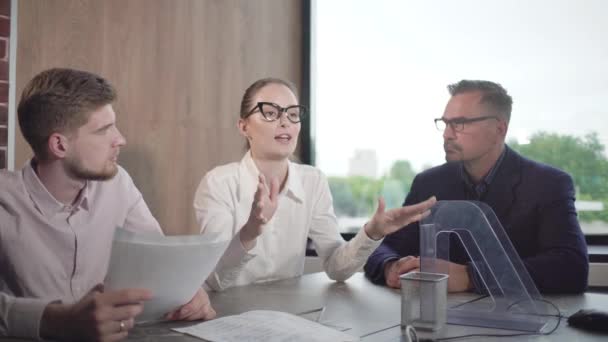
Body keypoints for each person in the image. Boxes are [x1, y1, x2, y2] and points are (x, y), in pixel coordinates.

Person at [0, 68, 215, 340]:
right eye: (103, 130)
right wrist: (56, 321)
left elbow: (160, 262)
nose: (120, 139)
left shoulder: (118, 184)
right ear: (59, 145)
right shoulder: (4, 200)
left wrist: (188, 292)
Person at [193, 77, 436, 291]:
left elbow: (336, 267)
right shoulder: (218, 183)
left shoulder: (312, 180)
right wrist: (250, 232)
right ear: (244, 126)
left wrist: (373, 232)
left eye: (293, 114)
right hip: (226, 316)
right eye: (270, 112)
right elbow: (216, 280)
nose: (285, 122)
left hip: (289, 317)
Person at [364, 80, 589, 294]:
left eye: (459, 123)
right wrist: (391, 267)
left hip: (516, 324)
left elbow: (572, 268)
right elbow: (386, 247)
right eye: (444, 123)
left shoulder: (548, 183)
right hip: (438, 320)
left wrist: (469, 276)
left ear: (499, 129)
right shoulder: (428, 182)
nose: (446, 134)